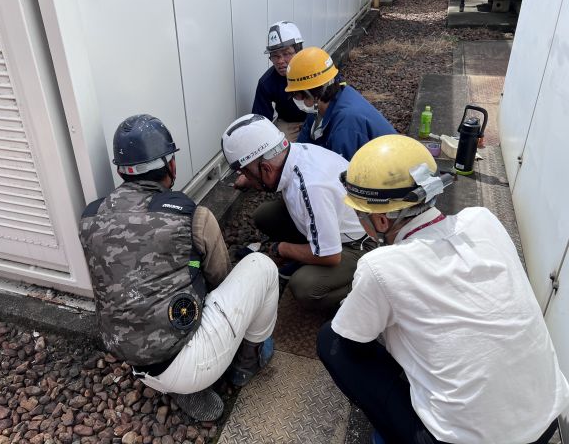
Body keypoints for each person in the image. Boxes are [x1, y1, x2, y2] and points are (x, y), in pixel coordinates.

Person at [317, 134, 569, 443]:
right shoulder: (483, 219)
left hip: (462, 440)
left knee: (333, 341)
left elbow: (353, 340)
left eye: (360, 213)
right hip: (545, 419)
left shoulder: (380, 267)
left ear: (381, 221)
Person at [79, 114, 279, 421]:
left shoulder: (89, 217)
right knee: (261, 265)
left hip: (131, 359)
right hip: (194, 359)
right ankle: (245, 363)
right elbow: (221, 279)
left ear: (121, 170)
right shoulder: (191, 215)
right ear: (171, 165)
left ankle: (175, 384)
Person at [222, 113, 373, 312]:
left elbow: (331, 255)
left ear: (265, 168)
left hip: (359, 244)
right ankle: (308, 252)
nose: (245, 176)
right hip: (336, 222)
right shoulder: (294, 153)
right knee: (265, 216)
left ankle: (366, 289)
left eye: (246, 172)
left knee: (304, 286)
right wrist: (251, 180)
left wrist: (282, 249)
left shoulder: (312, 187)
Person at [285, 46, 396, 161]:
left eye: (296, 95)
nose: (295, 99)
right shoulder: (324, 103)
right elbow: (303, 145)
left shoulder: (346, 123)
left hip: (388, 167)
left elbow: (341, 169)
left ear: (314, 93)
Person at [252, 21, 307, 139]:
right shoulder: (266, 82)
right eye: (275, 56)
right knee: (280, 147)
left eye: (286, 53)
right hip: (290, 124)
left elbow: (333, 98)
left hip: (318, 118)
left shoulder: (315, 67)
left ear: (299, 51)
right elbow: (260, 122)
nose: (280, 61)